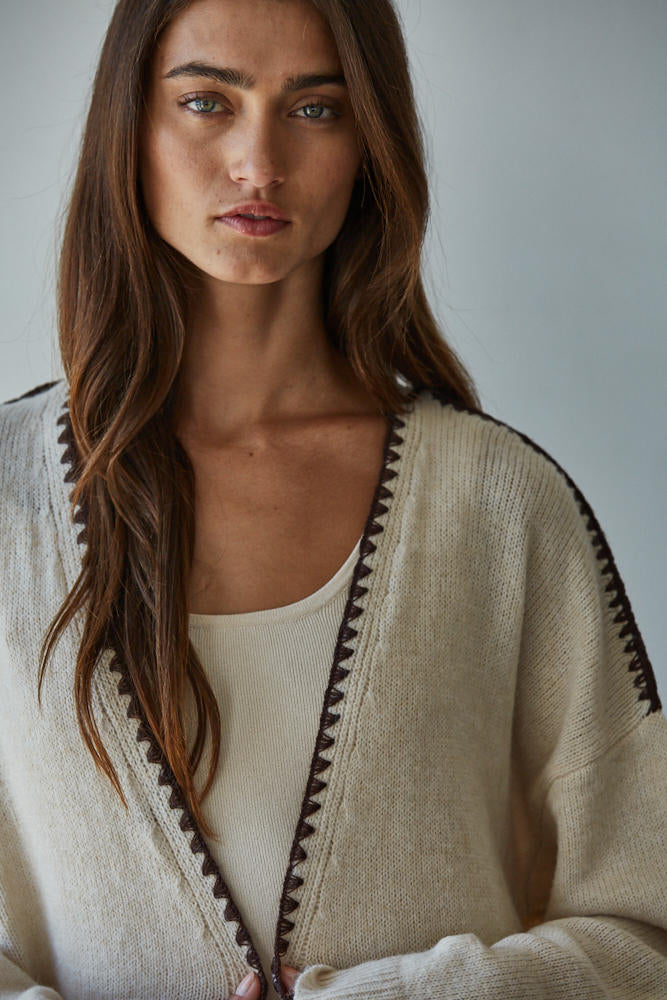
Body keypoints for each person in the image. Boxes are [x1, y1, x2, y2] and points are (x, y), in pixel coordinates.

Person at [0, 0, 665, 997]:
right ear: (128, 126)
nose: (257, 163)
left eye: (315, 109)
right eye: (205, 101)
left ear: (369, 143)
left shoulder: (501, 506)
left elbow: (644, 927)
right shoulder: (11, 498)